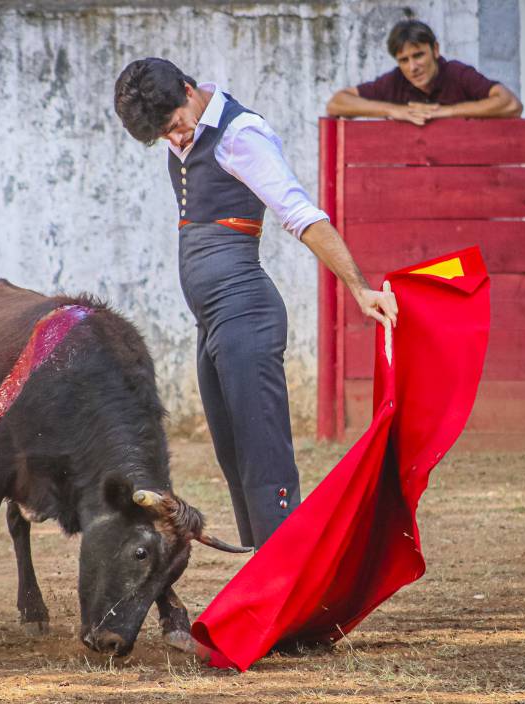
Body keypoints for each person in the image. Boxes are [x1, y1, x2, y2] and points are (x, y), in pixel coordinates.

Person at [113, 58, 398, 550]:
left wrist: (358, 287)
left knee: (264, 461)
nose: (176, 140)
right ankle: (267, 582)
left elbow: (300, 213)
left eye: (176, 126)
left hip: (244, 313)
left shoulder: (240, 135)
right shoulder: (187, 130)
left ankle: (292, 591)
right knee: (236, 459)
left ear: (189, 90)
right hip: (214, 320)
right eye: (164, 136)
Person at [326, 19, 522, 125]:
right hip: (416, 184)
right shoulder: (395, 81)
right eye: (404, 60)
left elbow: (511, 104)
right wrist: (394, 110)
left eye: (418, 55)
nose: (412, 67)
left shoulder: (456, 73)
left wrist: (447, 112)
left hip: (469, 178)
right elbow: (336, 103)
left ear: (435, 50)